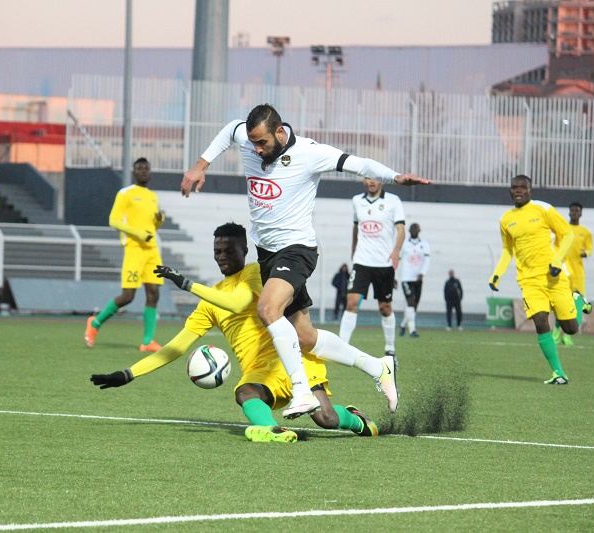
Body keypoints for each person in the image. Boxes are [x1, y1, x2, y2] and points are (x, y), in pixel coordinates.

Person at [181, 103, 430, 418]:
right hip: (268, 253)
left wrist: (394, 177)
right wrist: (200, 165)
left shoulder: (310, 153)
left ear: (280, 132)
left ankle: (301, 391)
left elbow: (359, 164)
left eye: (263, 143)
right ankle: (378, 367)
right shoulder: (244, 136)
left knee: (267, 309)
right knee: (305, 336)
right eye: (252, 142)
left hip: (297, 250)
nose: (256, 150)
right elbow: (226, 133)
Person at [90, 222, 379, 442]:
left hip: (291, 358)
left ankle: (354, 418)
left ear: (245, 251)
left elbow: (238, 302)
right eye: (217, 252)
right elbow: (176, 348)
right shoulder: (209, 303)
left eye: (229, 251)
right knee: (244, 391)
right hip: (258, 370)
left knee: (326, 419)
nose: (222, 257)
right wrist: (129, 374)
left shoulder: (256, 273)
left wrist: (186, 284)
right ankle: (270, 430)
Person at [488, 175, 592, 385]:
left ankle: (578, 301)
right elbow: (508, 249)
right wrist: (496, 274)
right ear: (510, 191)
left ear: (530, 191)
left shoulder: (543, 209)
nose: (518, 191)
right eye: (514, 188)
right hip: (529, 281)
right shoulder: (506, 219)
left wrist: (556, 260)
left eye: (522, 188)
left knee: (571, 328)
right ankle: (558, 373)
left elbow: (567, 235)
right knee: (540, 322)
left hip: (553, 277)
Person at [85, 157, 164, 352]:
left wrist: (159, 220)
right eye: (139, 168)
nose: (144, 171)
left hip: (152, 249)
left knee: (154, 293)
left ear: (150, 172)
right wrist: (138, 233)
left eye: (146, 168)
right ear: (134, 172)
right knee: (128, 296)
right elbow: (114, 220)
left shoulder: (153, 197)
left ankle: (147, 341)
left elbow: (153, 225)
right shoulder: (125, 193)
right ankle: (95, 323)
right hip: (134, 249)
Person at [339, 178, 405, 358]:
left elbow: (401, 229)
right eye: (368, 178)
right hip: (362, 261)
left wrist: (396, 250)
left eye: (375, 178)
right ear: (364, 181)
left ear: (382, 182)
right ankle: (342, 346)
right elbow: (356, 227)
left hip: (384, 264)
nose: (372, 182)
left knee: (384, 307)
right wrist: (353, 249)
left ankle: (390, 347)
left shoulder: (393, 201)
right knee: (351, 302)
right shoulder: (356, 201)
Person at [552, 202, 594, 346]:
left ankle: (568, 335)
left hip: (578, 273)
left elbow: (589, 248)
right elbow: (556, 245)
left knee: (578, 304)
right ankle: (556, 332)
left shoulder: (585, 232)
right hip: (564, 272)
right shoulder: (563, 229)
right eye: (572, 211)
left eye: (577, 211)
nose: (574, 213)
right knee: (562, 303)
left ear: (580, 213)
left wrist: (586, 253)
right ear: (569, 212)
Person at [398, 222, 430, 338]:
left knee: (413, 307)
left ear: (419, 231)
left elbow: (427, 260)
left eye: (416, 229)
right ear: (409, 231)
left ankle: (402, 325)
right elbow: (398, 259)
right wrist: (394, 277)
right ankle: (412, 330)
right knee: (410, 302)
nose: (414, 231)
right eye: (412, 229)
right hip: (406, 278)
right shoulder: (404, 244)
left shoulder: (424, 244)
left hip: (418, 279)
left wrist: (422, 273)